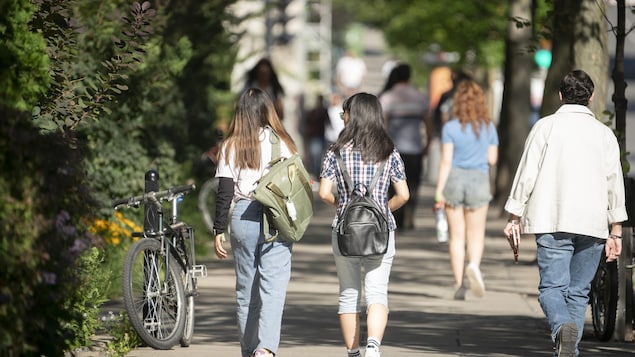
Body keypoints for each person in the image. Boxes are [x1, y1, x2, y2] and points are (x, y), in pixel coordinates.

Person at [502, 70, 626, 357]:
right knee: (578, 292)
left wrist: (514, 215)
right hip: (593, 224)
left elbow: (526, 174)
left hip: (552, 218)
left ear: (560, 95)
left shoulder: (545, 127)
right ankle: (568, 350)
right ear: (591, 97)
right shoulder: (604, 134)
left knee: (552, 289)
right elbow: (614, 182)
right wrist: (616, 229)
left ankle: (561, 329)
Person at [318, 93, 409, 357]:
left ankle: (353, 353)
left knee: (348, 294)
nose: (342, 118)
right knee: (377, 293)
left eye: (343, 113)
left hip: (345, 230)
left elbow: (324, 193)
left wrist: (344, 206)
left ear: (352, 116)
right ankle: (373, 347)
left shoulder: (335, 152)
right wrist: (382, 210)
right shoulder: (389, 151)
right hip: (381, 232)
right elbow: (404, 195)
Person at [213, 87, 298, 357]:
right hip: (276, 217)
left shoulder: (230, 145)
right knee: (273, 287)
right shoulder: (282, 141)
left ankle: (249, 350)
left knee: (246, 289)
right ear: (267, 111)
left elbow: (224, 192)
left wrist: (218, 230)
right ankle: (266, 348)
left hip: (242, 216)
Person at [434, 79, 499, 300]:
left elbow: (445, 161)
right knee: (476, 234)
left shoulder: (450, 127)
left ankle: (459, 283)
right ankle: (473, 265)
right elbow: (492, 159)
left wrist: (439, 192)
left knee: (456, 237)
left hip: (454, 180)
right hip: (479, 180)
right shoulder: (489, 127)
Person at [379, 63, 429, 230]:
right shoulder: (420, 97)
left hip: (392, 150)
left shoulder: (387, 97)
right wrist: (427, 143)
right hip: (415, 148)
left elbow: (382, 126)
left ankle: (395, 218)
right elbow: (428, 123)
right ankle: (409, 216)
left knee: (393, 186)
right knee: (413, 184)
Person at [303, 94, 329, 177]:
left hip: (320, 136)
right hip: (315, 136)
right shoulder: (313, 111)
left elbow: (328, 122)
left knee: (318, 155)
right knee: (314, 155)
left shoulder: (323, 111)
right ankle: (314, 171)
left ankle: (316, 171)